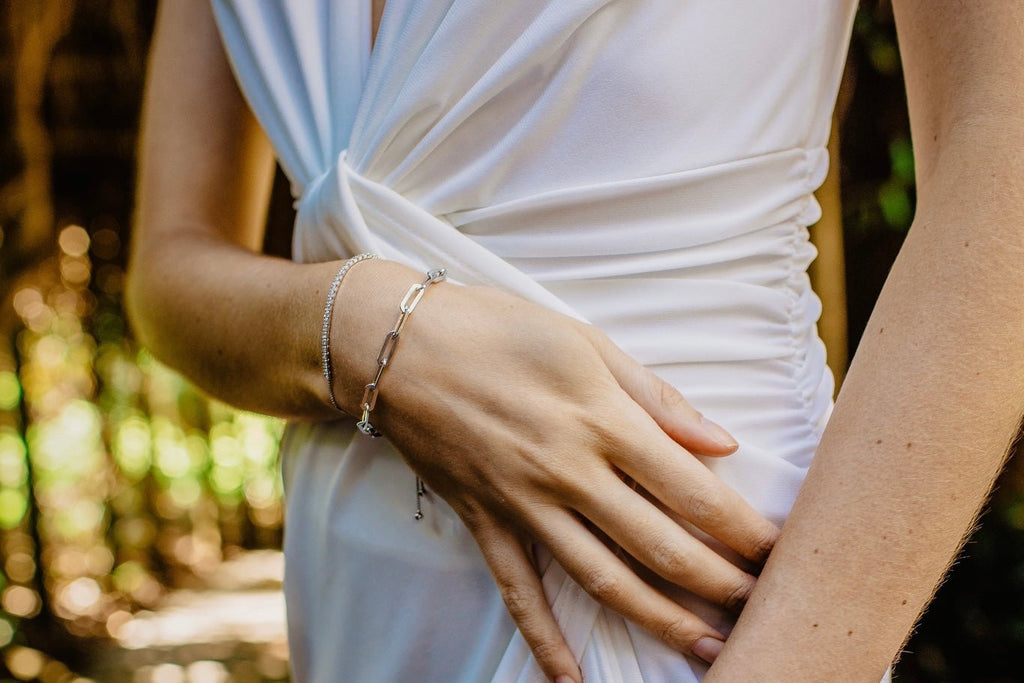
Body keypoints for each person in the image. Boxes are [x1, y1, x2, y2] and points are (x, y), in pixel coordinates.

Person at [127, 0, 1024, 681]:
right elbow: (167, 273)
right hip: (355, 582)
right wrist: (365, 330)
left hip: (686, 577)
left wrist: (796, 659)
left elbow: (1004, 152)